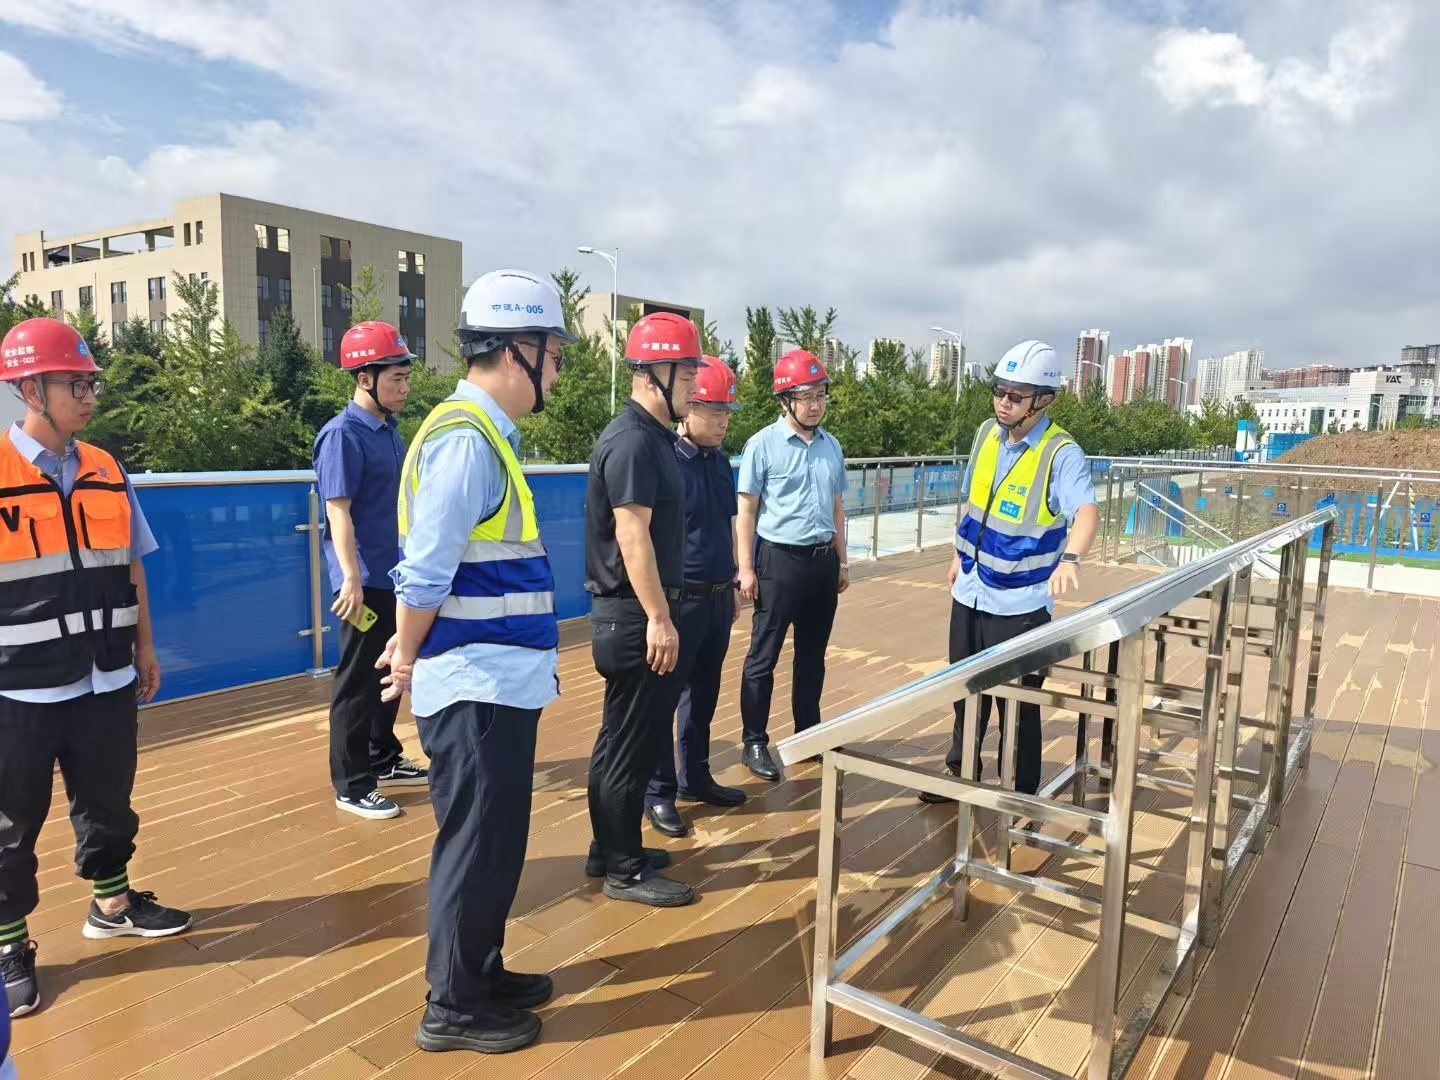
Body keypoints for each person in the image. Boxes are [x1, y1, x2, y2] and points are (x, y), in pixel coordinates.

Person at [379, 270, 570, 1055]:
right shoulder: (466, 440)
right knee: (475, 843)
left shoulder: (485, 435)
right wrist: (405, 654)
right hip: (474, 682)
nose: (556, 369)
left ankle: (480, 971)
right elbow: (425, 571)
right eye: (552, 354)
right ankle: (453, 1005)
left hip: (498, 679)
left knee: (497, 841)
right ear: (517, 349)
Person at [0, 318, 190, 1022]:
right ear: (30, 390)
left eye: (91, 384)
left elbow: (131, 564)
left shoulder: (108, 468)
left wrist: (145, 647)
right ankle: (8, 944)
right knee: (9, 823)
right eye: (74, 385)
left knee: (109, 801)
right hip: (18, 683)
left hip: (105, 674)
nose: (88, 397)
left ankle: (112, 904)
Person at [920, 340, 1098, 804]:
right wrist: (958, 555)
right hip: (971, 588)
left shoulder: (1061, 453)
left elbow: (1086, 512)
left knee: (1017, 704)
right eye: (999, 391)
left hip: (1020, 603)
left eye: (1016, 396)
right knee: (964, 689)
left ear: (1043, 400)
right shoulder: (986, 434)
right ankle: (961, 770)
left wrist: (1071, 558)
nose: (1003, 402)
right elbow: (973, 502)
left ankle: (1020, 794)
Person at [584, 313, 704, 907]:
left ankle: (609, 848)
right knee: (630, 748)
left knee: (620, 740)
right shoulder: (633, 440)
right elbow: (632, 537)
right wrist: (660, 617)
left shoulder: (652, 437)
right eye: (688, 374)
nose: (695, 387)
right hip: (635, 616)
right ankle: (625, 870)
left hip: (633, 614)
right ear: (657, 372)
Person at [313, 320, 427, 821]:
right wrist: (350, 578)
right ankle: (352, 784)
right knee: (357, 681)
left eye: (406, 378)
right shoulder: (342, 435)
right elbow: (338, 511)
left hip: (395, 574)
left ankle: (383, 757)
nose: (404, 388)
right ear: (365, 379)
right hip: (363, 581)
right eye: (396, 379)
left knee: (390, 668)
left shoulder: (389, 432)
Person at [644, 356, 748, 840]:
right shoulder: (665, 461)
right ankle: (658, 792)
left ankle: (696, 776)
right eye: (714, 410)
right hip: (678, 600)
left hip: (716, 597)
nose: (724, 421)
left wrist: (733, 583)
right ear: (689, 409)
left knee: (703, 693)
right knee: (664, 697)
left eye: (727, 411)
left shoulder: (720, 464)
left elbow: (726, 525)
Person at [735, 350, 849, 781]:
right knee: (763, 656)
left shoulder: (831, 446)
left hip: (822, 562)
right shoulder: (762, 445)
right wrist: (746, 568)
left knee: (813, 656)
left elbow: (837, 508)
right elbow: (746, 512)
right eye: (806, 396)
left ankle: (808, 732)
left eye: (820, 395)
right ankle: (754, 742)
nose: (815, 405)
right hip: (778, 562)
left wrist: (842, 561)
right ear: (785, 400)